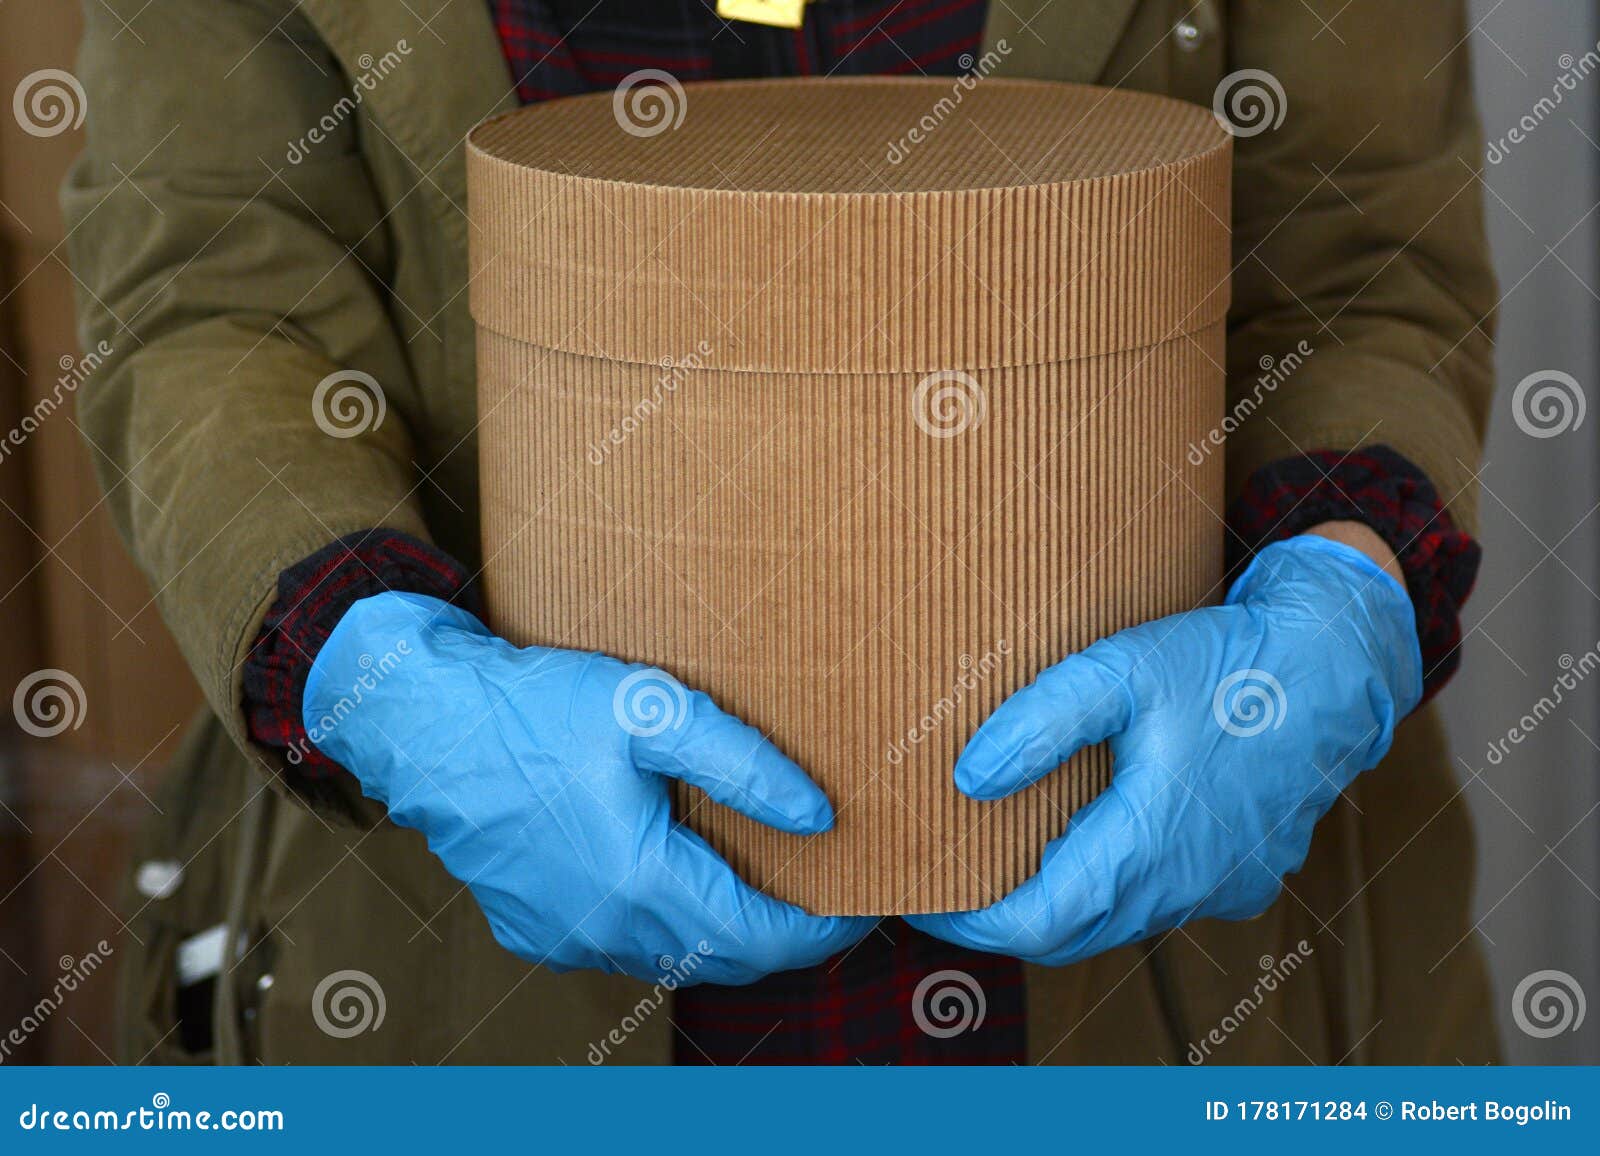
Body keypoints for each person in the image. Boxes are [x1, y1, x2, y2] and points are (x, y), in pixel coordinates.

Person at [65, 0, 1496, 1064]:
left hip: (1188, 990)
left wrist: (1338, 600)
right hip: (446, 983)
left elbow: (1363, 263)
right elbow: (211, 296)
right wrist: (374, 673)